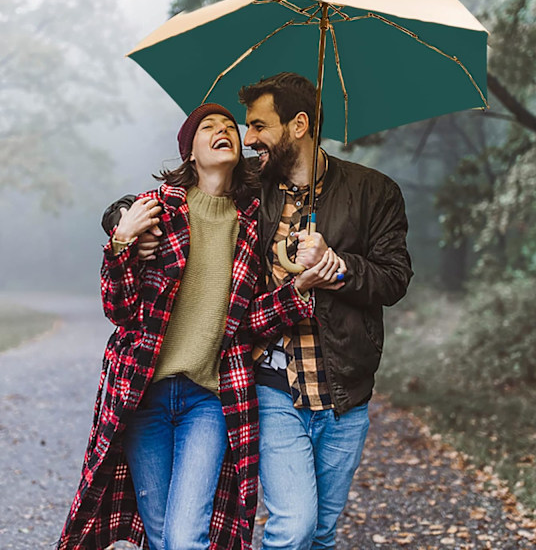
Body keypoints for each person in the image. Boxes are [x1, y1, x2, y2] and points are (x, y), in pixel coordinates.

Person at [104, 73, 413, 549]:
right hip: (260, 383)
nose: (247, 138)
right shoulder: (251, 191)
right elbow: (162, 201)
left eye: (255, 125)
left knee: (319, 532)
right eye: (239, 127)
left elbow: (394, 278)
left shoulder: (370, 192)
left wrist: (336, 266)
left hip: (338, 388)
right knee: (284, 528)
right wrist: (122, 226)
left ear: (299, 125)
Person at [58, 103, 344, 550]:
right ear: (189, 152)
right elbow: (120, 309)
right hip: (143, 394)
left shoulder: (252, 224)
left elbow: (246, 323)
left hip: (208, 401)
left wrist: (299, 290)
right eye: (208, 127)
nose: (223, 131)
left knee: (185, 536)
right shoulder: (155, 211)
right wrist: (121, 240)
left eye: (230, 126)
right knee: (159, 535)